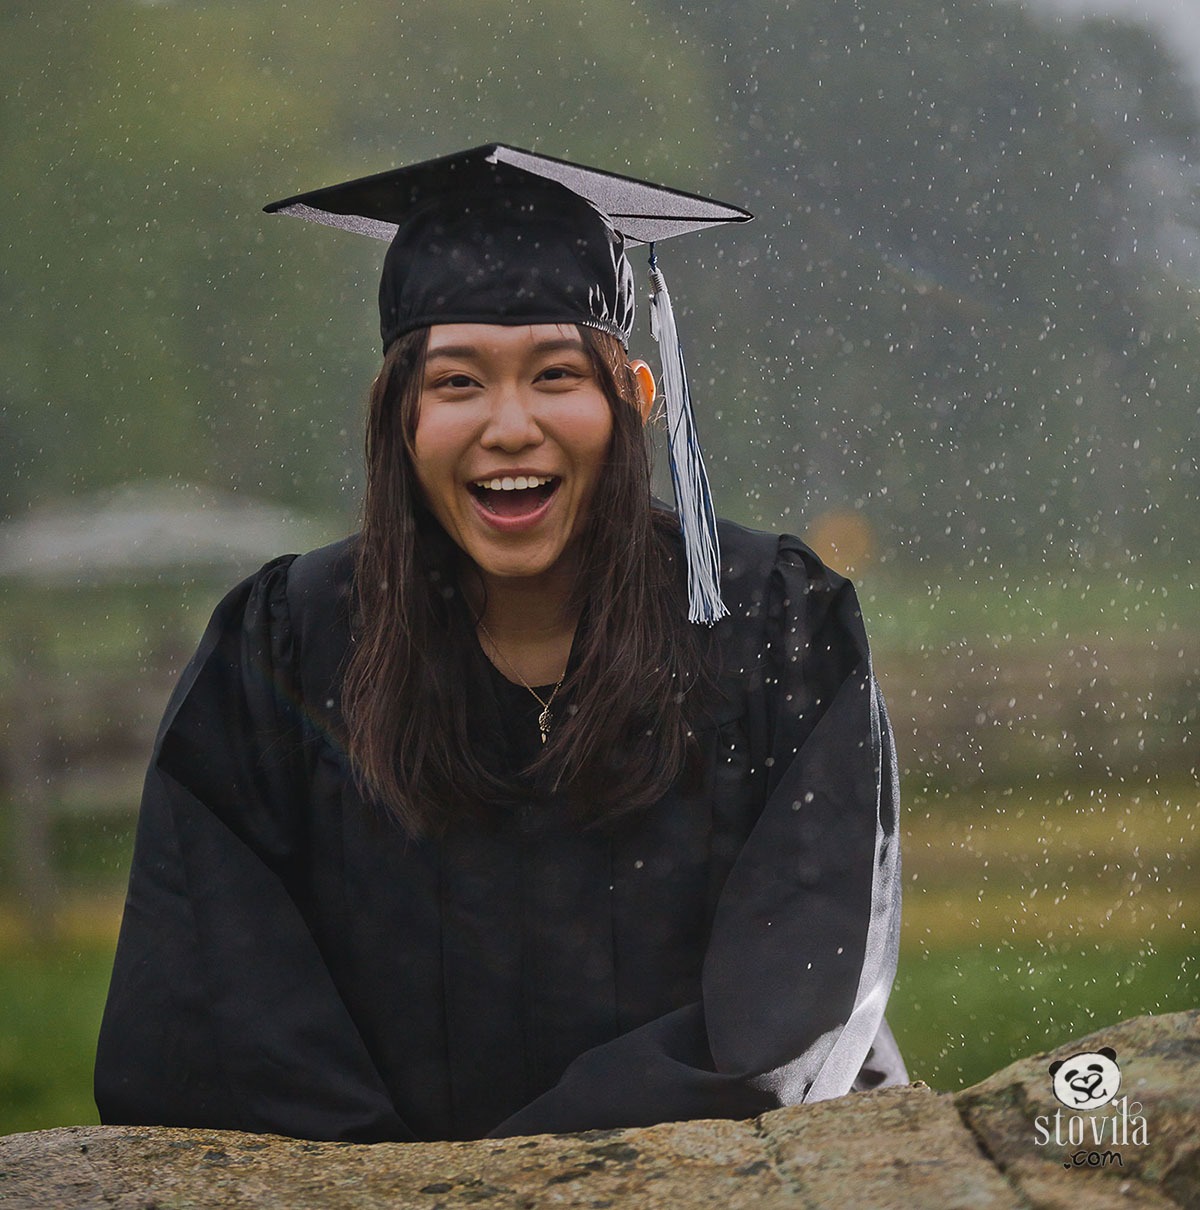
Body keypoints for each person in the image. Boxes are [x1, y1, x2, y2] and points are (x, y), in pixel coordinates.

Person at [94, 144, 906, 1143]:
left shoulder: (774, 624)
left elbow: (802, 984)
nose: (509, 424)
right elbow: (214, 992)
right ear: (401, 417)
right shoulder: (286, 647)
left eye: (556, 375)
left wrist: (530, 1178)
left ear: (636, 399)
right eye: (457, 382)